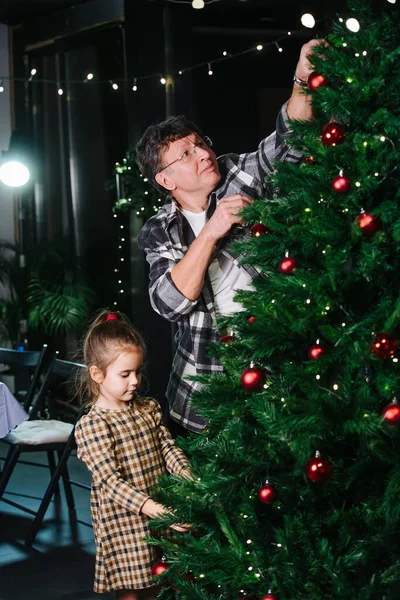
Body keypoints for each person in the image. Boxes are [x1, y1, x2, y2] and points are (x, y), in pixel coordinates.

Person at [136, 40, 320, 435]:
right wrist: (213, 230)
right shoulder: (159, 229)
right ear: (165, 180)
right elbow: (168, 304)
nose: (202, 154)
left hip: (277, 373)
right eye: (185, 154)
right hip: (203, 394)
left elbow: (288, 139)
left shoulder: (236, 173)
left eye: (200, 143)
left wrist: (302, 77)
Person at [74, 311, 191, 600]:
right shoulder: (93, 425)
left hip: (161, 507)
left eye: (137, 372)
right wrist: (153, 509)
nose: (135, 381)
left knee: (170, 580)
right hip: (125, 522)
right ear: (98, 374)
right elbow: (110, 482)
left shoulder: (147, 408)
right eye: (125, 374)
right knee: (135, 589)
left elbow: (167, 447)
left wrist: (188, 476)